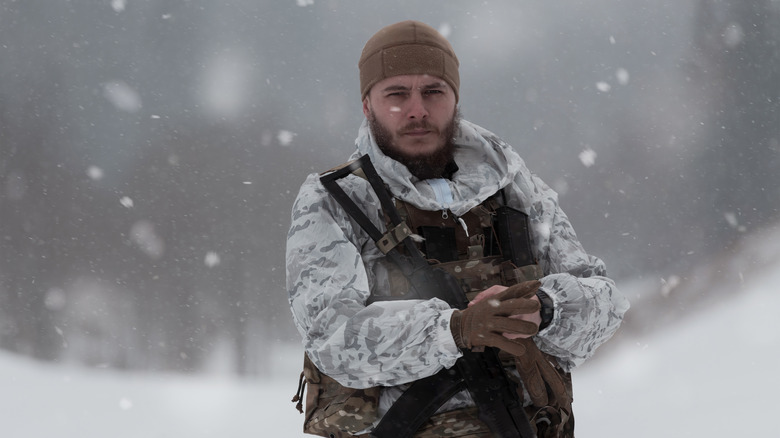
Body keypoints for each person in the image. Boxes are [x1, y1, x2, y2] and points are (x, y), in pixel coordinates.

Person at [287, 20, 629, 438]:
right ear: (366, 105)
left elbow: (606, 302)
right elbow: (332, 337)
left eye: (433, 91)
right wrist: (454, 330)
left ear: (455, 98)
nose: (417, 109)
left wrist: (545, 309)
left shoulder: (514, 188)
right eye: (396, 94)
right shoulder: (336, 200)